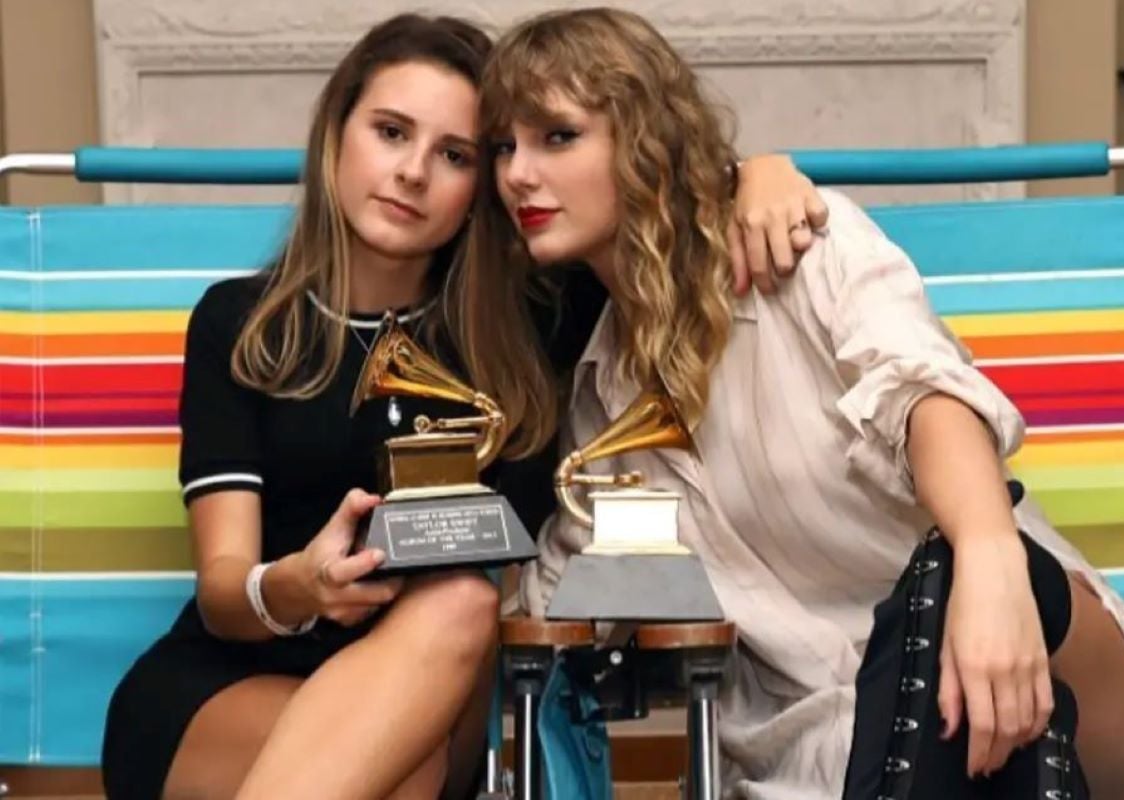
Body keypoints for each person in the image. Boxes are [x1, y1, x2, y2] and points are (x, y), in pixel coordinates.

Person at [454, 8, 1124, 800]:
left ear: (645, 139)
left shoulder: (810, 252)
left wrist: (989, 555)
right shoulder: (600, 408)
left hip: (1050, 672)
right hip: (817, 765)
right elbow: (557, 608)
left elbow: (927, 395)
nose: (517, 174)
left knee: (942, 578)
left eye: (557, 136)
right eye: (503, 147)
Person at [100, 12, 826, 800]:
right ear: (335, 135)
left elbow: (658, 192)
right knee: (397, 774)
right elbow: (223, 591)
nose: (413, 172)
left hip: (445, 690)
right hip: (225, 691)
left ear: (488, 186)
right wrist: (300, 587)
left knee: (459, 602)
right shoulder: (241, 324)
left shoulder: (543, 317)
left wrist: (758, 175)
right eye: (390, 132)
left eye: (454, 155)